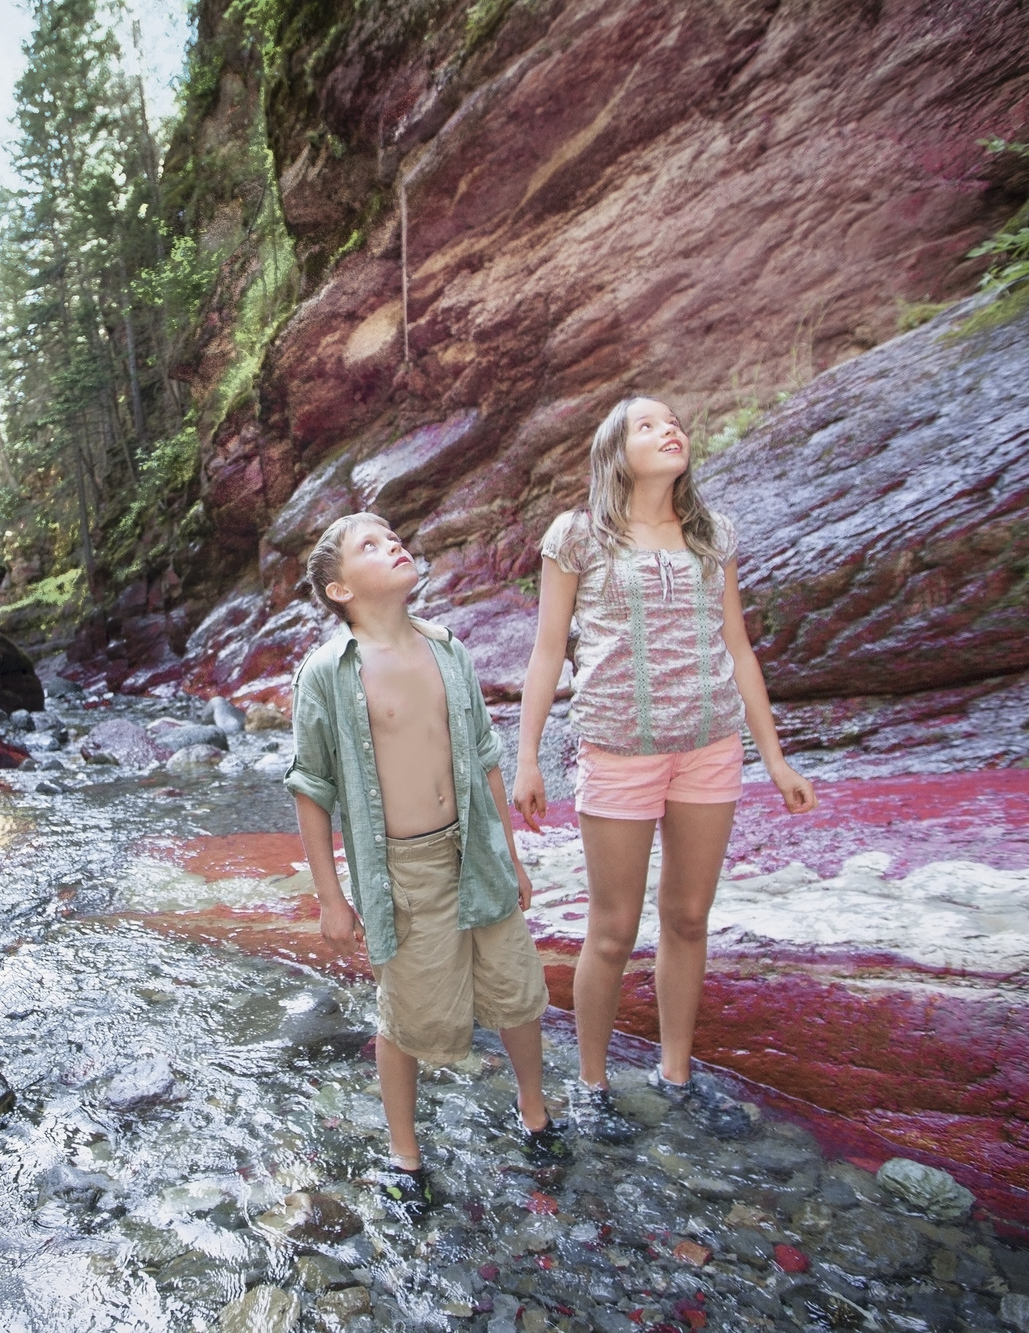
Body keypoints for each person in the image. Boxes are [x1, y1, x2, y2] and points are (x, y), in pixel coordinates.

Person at [512, 396, 817, 1142]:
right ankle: (590, 1083)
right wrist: (525, 755)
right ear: (616, 451)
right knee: (612, 929)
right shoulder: (578, 537)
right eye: (646, 424)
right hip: (619, 751)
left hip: (710, 746)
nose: (668, 429)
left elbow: (739, 647)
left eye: (673, 421)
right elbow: (549, 652)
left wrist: (772, 756)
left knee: (686, 917)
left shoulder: (712, 534)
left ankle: (676, 1074)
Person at [286, 512, 559, 1223]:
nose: (393, 543)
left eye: (392, 533)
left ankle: (535, 1112)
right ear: (340, 588)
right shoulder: (327, 673)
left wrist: (510, 854)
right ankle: (406, 1155)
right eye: (369, 545)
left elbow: (484, 754)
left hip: (474, 849)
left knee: (516, 986)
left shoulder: (447, 648)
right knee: (405, 1015)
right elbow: (311, 786)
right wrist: (331, 895)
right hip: (400, 870)